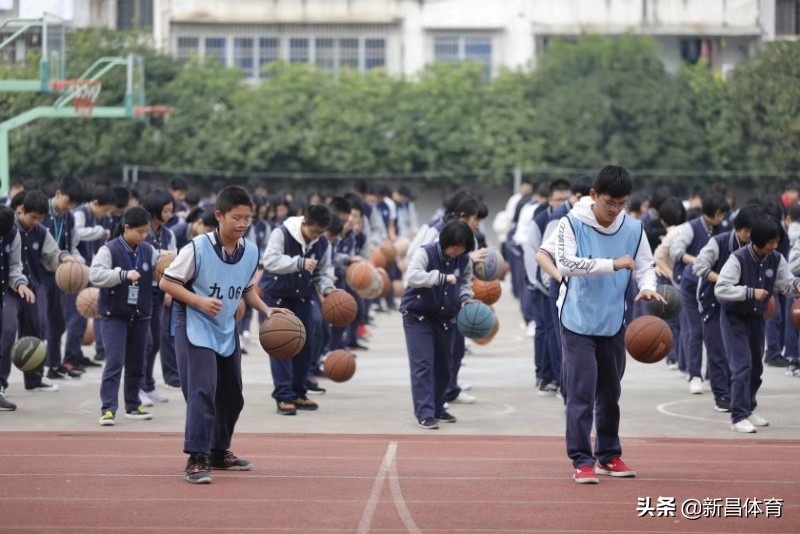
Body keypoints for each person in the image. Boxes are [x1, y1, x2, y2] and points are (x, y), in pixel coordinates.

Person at [536, 165, 663, 484]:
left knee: (610, 391)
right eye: (610, 203)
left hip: (612, 320)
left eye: (622, 204)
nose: (616, 210)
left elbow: (645, 265)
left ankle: (609, 454)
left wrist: (647, 285)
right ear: (593, 195)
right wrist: (613, 264)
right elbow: (564, 264)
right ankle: (581, 459)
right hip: (576, 320)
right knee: (581, 392)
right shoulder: (571, 223)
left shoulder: (633, 228)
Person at [160, 185, 290, 484]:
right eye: (237, 218)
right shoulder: (197, 248)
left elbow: (245, 288)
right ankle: (197, 456)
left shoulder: (250, 251)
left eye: (248, 218)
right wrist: (199, 301)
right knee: (202, 390)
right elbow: (168, 283)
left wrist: (266, 309)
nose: (243, 224)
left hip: (224, 325)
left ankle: (219, 450)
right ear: (219, 215)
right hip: (193, 321)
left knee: (233, 395)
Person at [715, 214, 800, 433]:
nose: (775, 245)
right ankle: (738, 416)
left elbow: (786, 283)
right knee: (741, 366)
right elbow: (722, 288)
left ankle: (749, 408)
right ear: (759, 240)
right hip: (734, 319)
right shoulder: (738, 258)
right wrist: (750, 292)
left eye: (777, 241)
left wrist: (797, 285)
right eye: (771, 241)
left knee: (756, 368)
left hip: (756, 319)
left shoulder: (777, 258)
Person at [260, 204, 335, 416]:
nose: (316, 236)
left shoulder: (322, 243)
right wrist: (299, 263)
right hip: (277, 295)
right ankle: (283, 396)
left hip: (302, 295)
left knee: (305, 344)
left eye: (321, 233)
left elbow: (324, 271)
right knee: (281, 343)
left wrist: (328, 288)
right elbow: (270, 261)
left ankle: (298, 392)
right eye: (314, 232)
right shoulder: (281, 233)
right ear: (304, 224)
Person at [400, 220, 475, 429]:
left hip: (446, 318)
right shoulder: (427, 253)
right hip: (417, 316)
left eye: (463, 247)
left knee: (445, 367)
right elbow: (413, 276)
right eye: (455, 246)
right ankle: (424, 412)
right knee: (423, 364)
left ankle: (438, 406)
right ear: (444, 242)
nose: (458, 251)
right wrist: (441, 278)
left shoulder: (464, 259)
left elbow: (465, 282)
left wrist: (466, 298)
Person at [89, 207, 157, 426]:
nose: (144, 236)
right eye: (139, 231)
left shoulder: (148, 250)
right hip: (114, 315)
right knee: (115, 361)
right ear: (126, 228)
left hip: (140, 315)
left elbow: (162, 267)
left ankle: (132, 404)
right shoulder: (108, 250)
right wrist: (122, 274)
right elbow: (95, 274)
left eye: (146, 232)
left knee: (137, 362)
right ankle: (108, 408)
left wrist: (169, 262)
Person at [692, 204, 761, 413]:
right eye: (748, 231)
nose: (749, 236)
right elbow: (699, 266)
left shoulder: (756, 248)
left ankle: (738, 394)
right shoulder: (719, 242)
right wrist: (723, 280)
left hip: (740, 304)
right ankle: (721, 394)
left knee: (740, 355)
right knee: (717, 350)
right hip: (713, 301)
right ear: (741, 228)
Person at [670, 192, 729, 394]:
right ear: (709, 211)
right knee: (695, 331)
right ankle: (694, 374)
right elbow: (676, 252)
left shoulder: (724, 229)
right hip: (691, 284)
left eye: (723, 215)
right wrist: (697, 261)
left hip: (713, 287)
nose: (720, 219)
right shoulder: (691, 227)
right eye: (718, 214)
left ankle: (715, 375)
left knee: (716, 334)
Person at [0, 204, 37, 411]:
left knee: (5, 336)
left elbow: (14, 265)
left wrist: (21, 284)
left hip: (2, 292)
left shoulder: (12, 233)